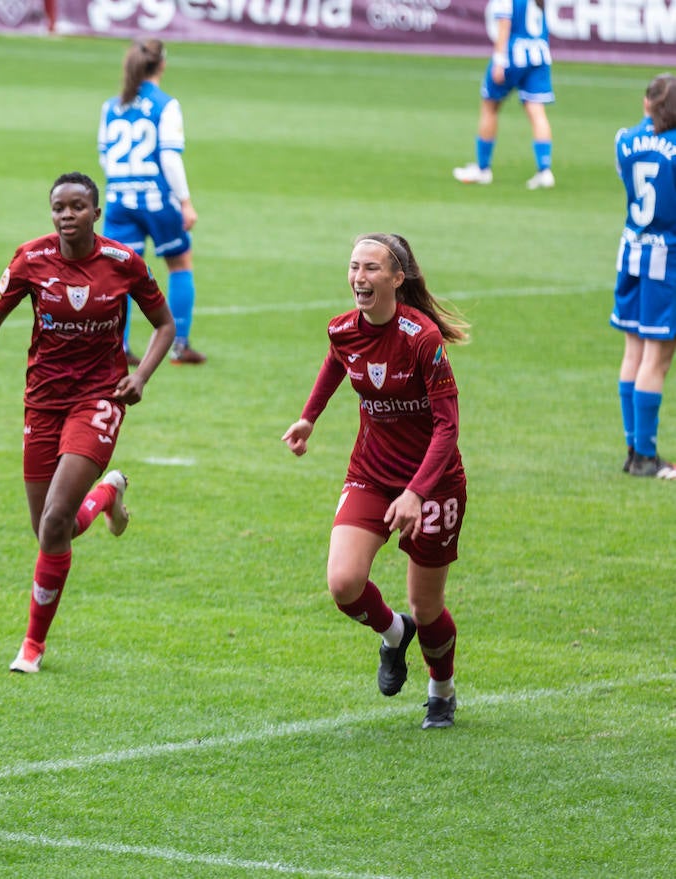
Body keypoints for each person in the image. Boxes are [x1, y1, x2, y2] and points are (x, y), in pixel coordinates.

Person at [0, 171, 175, 674]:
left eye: (78, 206)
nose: (67, 215)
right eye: (59, 207)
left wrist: (140, 376)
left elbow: (164, 325)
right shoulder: (30, 258)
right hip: (42, 401)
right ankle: (107, 495)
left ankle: (32, 646)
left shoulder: (124, 263)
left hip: (99, 399)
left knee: (54, 520)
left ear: (96, 213)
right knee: (50, 531)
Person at [281, 234, 470, 730]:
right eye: (353, 268)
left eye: (370, 269)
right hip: (371, 473)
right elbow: (336, 364)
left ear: (396, 278)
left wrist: (417, 492)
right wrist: (309, 418)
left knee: (427, 608)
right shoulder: (342, 329)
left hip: (432, 483)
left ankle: (442, 691)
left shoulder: (420, 337)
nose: (359, 278)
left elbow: (448, 427)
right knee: (344, 583)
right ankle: (392, 635)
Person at [98, 37, 206, 365]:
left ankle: (120, 346)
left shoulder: (112, 106)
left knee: (120, 273)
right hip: (157, 200)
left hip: (119, 200)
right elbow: (170, 158)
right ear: (162, 64)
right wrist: (185, 202)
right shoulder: (166, 105)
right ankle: (179, 345)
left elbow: (104, 156)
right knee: (179, 263)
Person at [612, 73, 676, 478]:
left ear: (646, 104)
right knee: (658, 357)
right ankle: (646, 458)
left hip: (631, 252)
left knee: (632, 351)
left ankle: (634, 449)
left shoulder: (624, 140)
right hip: (667, 259)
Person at [452, 0, 555, 190]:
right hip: (538, 53)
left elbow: (504, 24)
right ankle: (545, 171)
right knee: (536, 110)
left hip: (513, 55)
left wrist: (499, 60)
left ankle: (483, 169)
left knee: (489, 106)